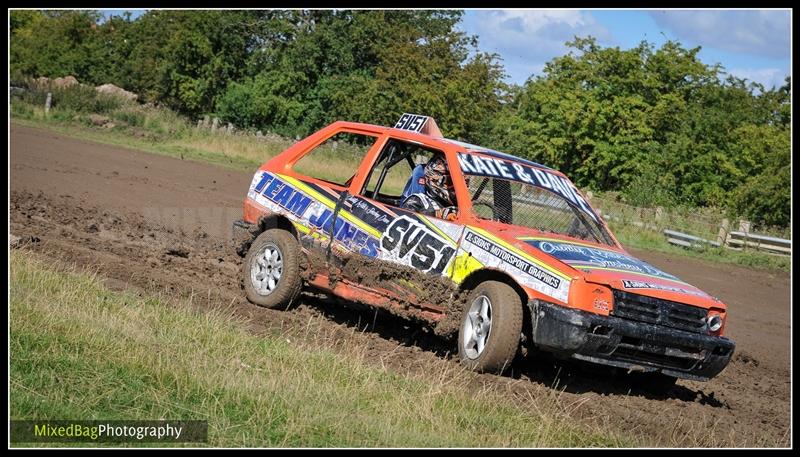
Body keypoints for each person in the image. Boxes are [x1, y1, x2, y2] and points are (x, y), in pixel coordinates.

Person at [400, 155, 457, 220]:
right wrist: (437, 215)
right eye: (450, 182)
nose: (455, 187)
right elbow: (405, 222)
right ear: (434, 179)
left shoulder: (458, 207)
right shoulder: (417, 201)